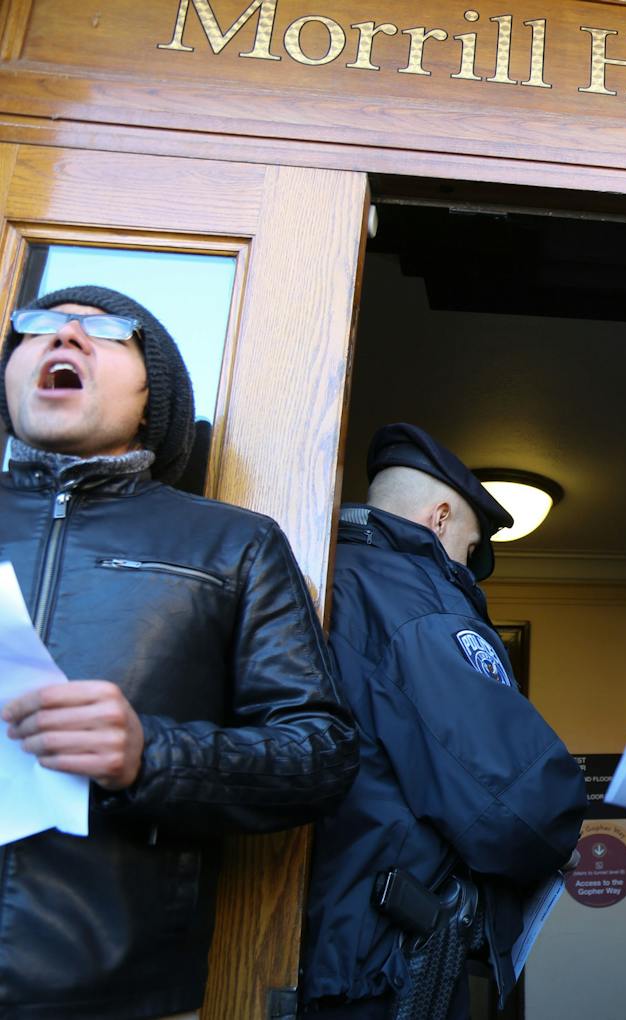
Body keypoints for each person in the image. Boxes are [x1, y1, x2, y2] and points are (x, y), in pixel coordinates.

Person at [0, 285, 358, 1019]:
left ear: (152, 395)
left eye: (104, 331)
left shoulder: (232, 545)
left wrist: (150, 756)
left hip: (117, 997)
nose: (63, 337)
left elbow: (321, 754)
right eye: (36, 327)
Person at [300, 423, 587, 1019]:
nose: (464, 567)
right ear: (438, 519)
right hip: (381, 972)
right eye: (468, 544)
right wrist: (559, 832)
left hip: (314, 949)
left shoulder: (320, 580)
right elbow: (515, 805)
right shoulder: (419, 604)